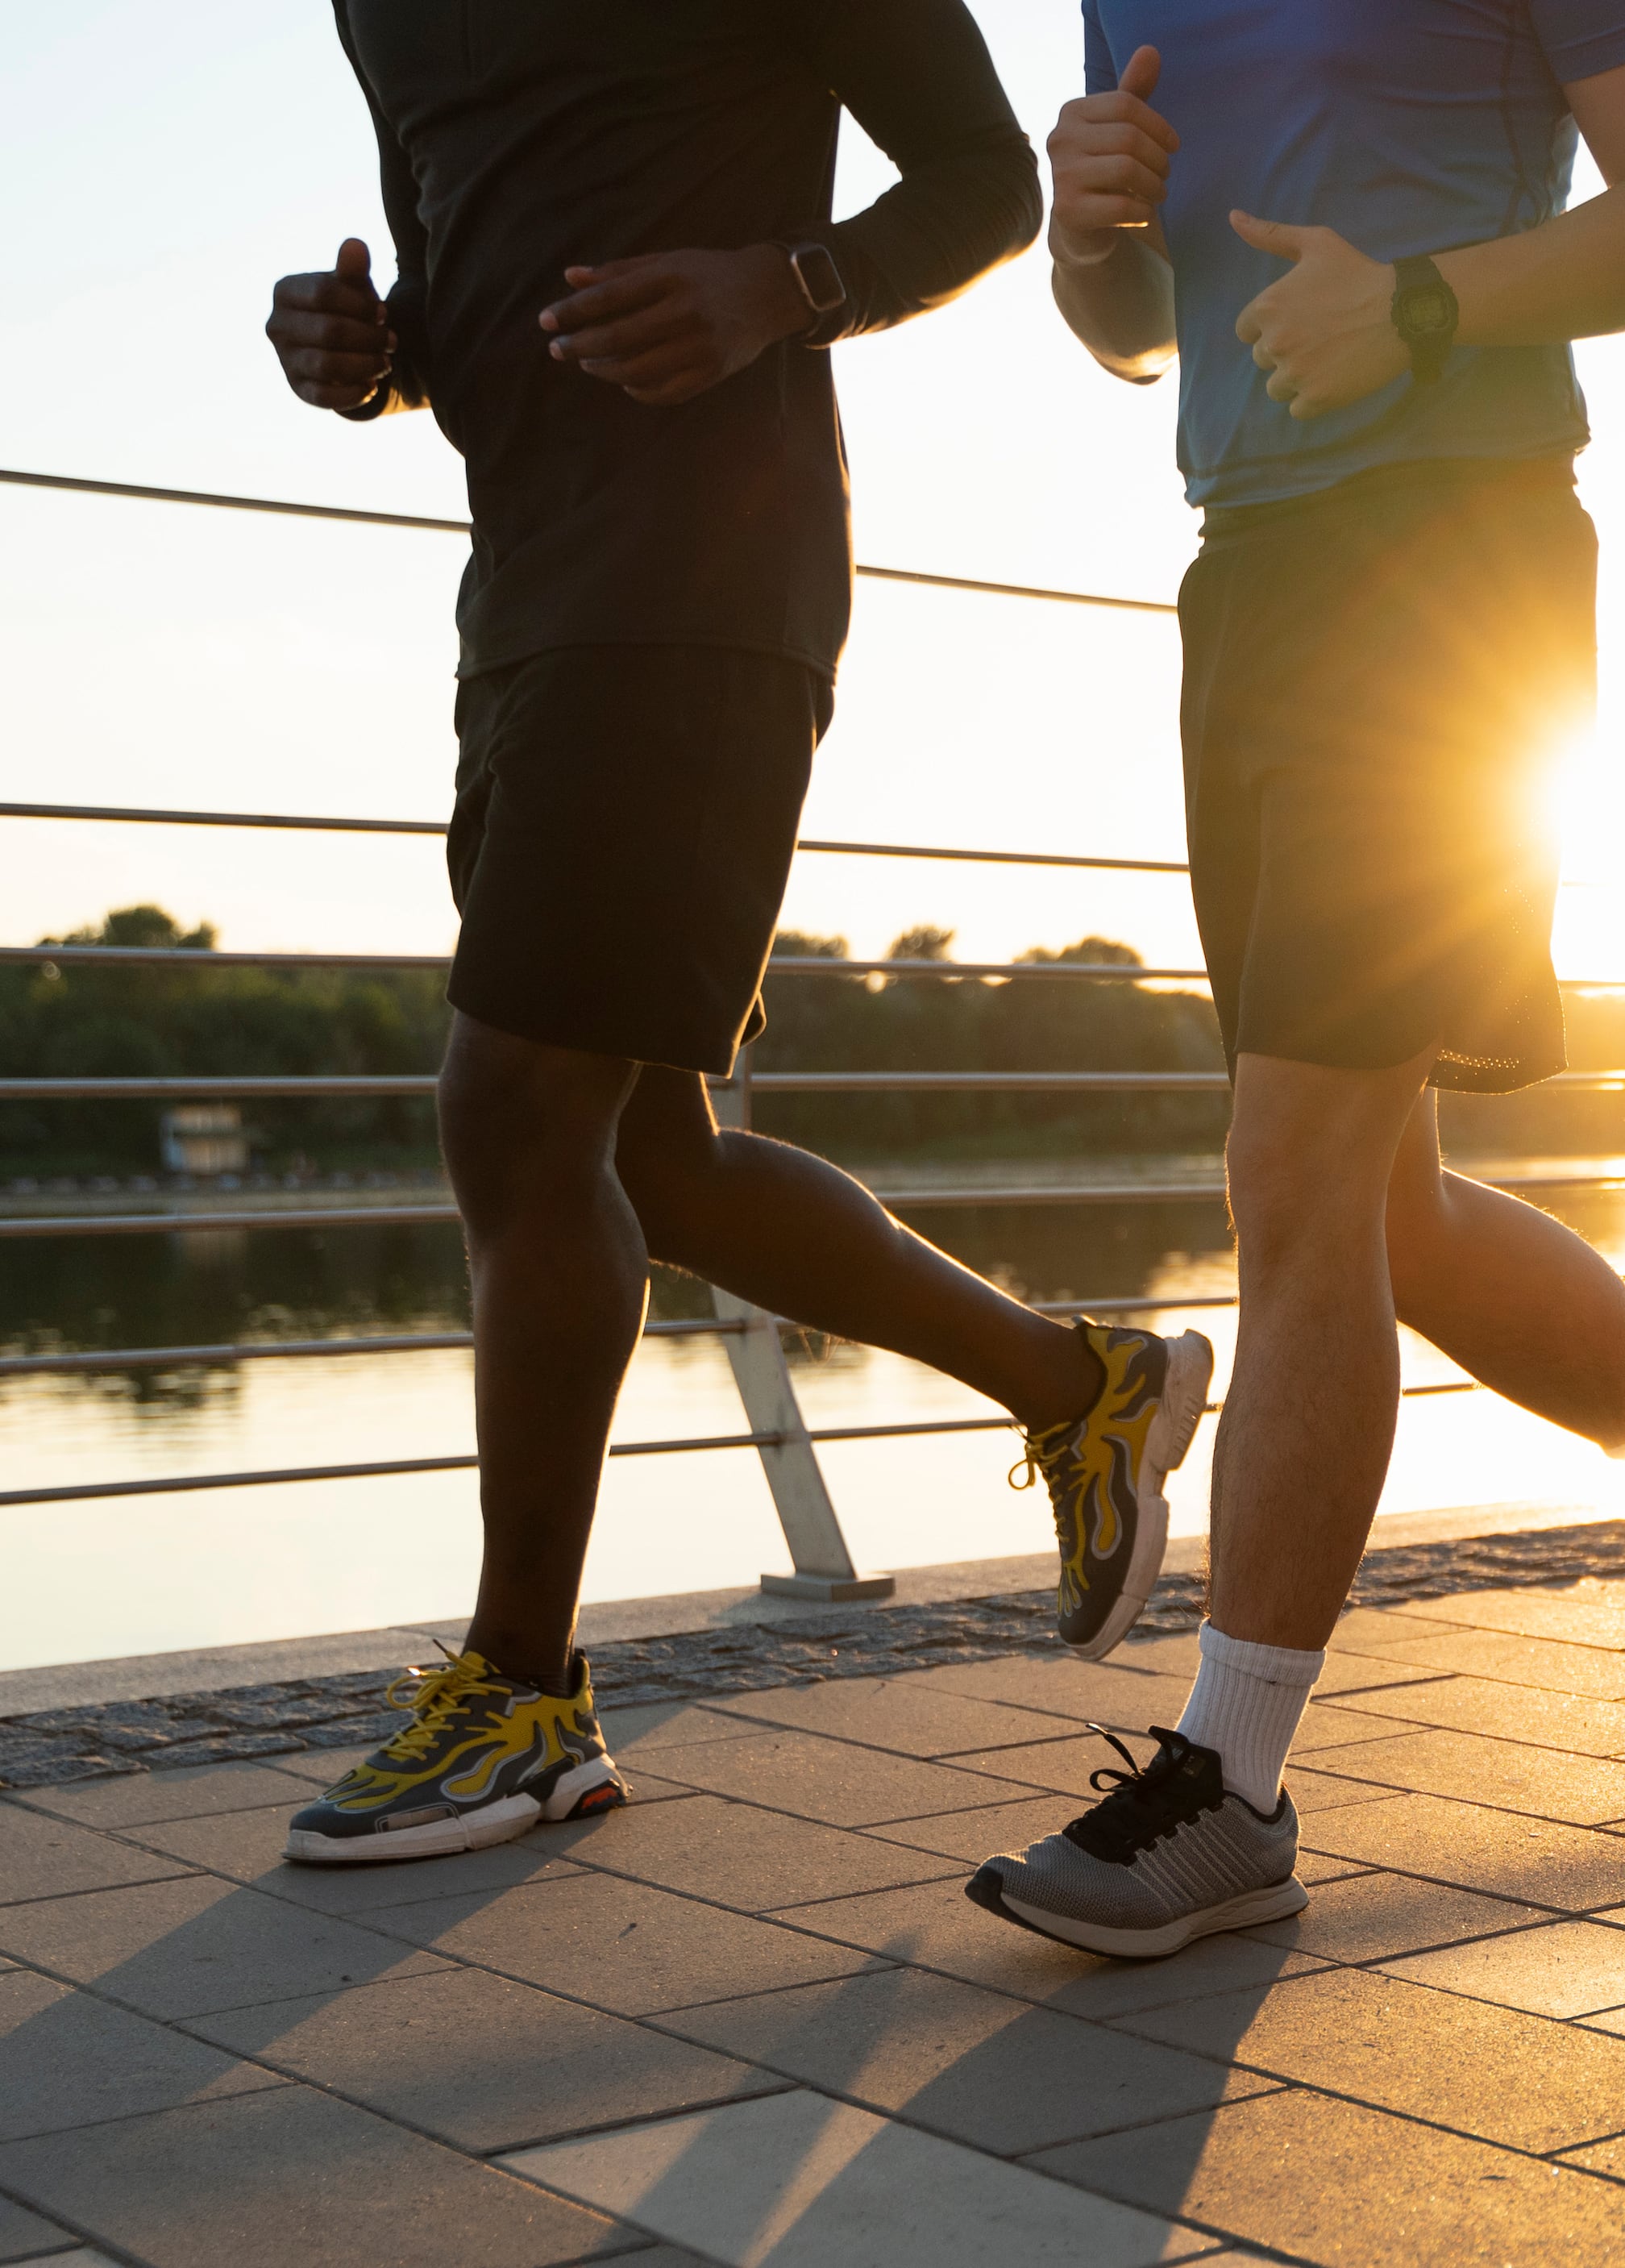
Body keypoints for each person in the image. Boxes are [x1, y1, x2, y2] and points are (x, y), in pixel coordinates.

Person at [261, 4, 1217, 1868]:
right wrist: (368, 354)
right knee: (645, 1154)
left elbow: (984, 179)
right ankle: (1083, 1382)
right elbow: (467, 292)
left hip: (709, 573)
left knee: (514, 1105)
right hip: (525, 590)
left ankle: (525, 1697)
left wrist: (790, 284)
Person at [969, 0, 1625, 1963]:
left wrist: (1429, 306)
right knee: (1373, 1201)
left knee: (1292, 1174)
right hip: (1247, 571)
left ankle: (1234, 1783)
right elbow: (1140, 331)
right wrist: (1087, 233)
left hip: (1453, 561)